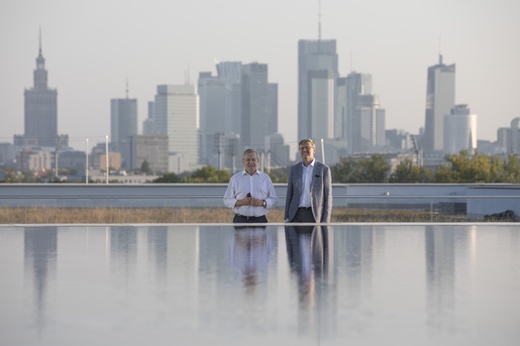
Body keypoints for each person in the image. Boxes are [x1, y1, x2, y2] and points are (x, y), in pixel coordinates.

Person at [224, 148, 278, 223]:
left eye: (253, 159)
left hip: (260, 220)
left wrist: (262, 203)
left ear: (258, 161)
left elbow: (274, 200)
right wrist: (241, 202)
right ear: (243, 162)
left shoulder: (266, 178)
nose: (251, 162)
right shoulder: (235, 178)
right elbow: (226, 200)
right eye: (248, 160)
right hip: (240, 220)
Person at [284, 139, 332, 223]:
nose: (304, 150)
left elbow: (328, 197)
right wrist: (286, 217)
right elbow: (289, 195)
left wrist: (326, 220)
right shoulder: (294, 169)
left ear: (314, 149)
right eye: (302, 148)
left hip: (314, 215)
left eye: (307, 147)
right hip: (295, 215)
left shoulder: (323, 170)